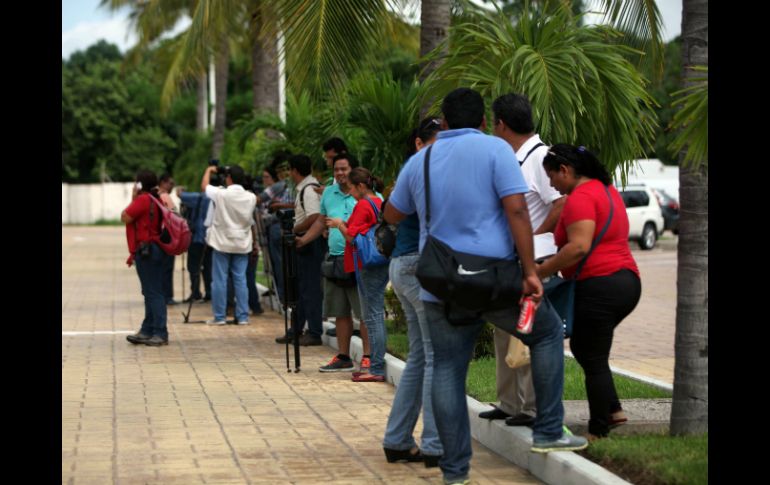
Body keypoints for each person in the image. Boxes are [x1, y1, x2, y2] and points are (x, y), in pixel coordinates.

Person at [384, 88, 587, 485]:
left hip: (441, 285)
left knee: (446, 369)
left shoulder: (421, 160)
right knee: (545, 334)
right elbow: (516, 210)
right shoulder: (497, 152)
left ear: (443, 123)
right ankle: (547, 430)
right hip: (495, 279)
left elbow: (393, 212)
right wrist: (530, 270)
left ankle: (455, 471)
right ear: (482, 122)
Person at [537, 143, 642, 440]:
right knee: (587, 349)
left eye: (551, 176)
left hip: (600, 284)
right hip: (625, 281)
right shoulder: (605, 190)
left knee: (592, 356)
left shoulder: (581, 197)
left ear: (565, 171)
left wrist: (540, 271)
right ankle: (613, 409)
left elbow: (579, 247)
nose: (551, 184)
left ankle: (600, 429)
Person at [480, 93, 567, 427]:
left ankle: (530, 407)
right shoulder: (513, 156)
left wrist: (530, 240)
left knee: (530, 332)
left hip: (533, 262)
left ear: (501, 124)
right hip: (510, 262)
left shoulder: (540, 156)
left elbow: (559, 203)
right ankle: (508, 401)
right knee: (506, 332)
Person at [382, 117, 443, 466]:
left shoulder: (409, 171)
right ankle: (434, 443)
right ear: (420, 143)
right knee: (434, 356)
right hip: (417, 266)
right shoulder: (423, 170)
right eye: (437, 141)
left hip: (403, 265)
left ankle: (397, 439)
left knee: (420, 357)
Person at [296, 154, 372, 372]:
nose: (339, 173)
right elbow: (320, 221)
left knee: (364, 312)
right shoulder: (329, 192)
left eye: (344, 169)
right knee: (340, 311)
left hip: (360, 260)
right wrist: (304, 239)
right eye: (336, 169)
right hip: (335, 258)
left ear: (352, 169)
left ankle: (367, 356)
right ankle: (343, 356)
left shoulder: (366, 193)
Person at [326, 167, 388, 383]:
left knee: (372, 316)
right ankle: (375, 364)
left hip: (366, 263)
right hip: (380, 262)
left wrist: (339, 224)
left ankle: (376, 366)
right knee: (374, 315)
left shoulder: (363, 204)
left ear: (361, 186)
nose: (350, 192)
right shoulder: (379, 201)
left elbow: (352, 237)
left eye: (352, 188)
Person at [275, 154, 325, 346]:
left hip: (309, 242)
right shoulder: (307, 187)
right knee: (301, 287)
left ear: (294, 171)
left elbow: (314, 217)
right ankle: (297, 328)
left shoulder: (309, 190)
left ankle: (313, 331)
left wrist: (294, 229)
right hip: (304, 241)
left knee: (310, 288)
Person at [201, 164, 257, 326]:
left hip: (222, 242)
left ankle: (219, 317)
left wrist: (208, 170)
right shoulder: (251, 197)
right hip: (242, 243)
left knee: (219, 279)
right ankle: (243, 316)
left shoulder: (221, 194)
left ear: (229, 178)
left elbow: (204, 187)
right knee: (240, 280)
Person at [122, 170, 168, 346]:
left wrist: (133, 197)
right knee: (150, 291)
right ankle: (147, 330)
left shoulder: (143, 200)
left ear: (139, 184)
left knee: (153, 292)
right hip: (154, 248)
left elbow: (125, 217)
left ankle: (160, 332)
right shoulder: (156, 199)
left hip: (147, 250)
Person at [177, 187, 212, 303]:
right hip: (211, 239)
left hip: (196, 237)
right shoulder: (219, 197)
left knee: (194, 267)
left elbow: (180, 194)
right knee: (208, 267)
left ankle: (195, 292)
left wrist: (182, 190)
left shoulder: (198, 196)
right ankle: (209, 292)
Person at [158, 173, 179, 305]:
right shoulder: (165, 196)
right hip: (167, 235)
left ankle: (162, 295)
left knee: (161, 267)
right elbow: (174, 215)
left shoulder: (152, 195)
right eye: (171, 183)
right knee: (167, 267)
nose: (172, 186)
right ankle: (168, 296)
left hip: (158, 235)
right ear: (163, 182)